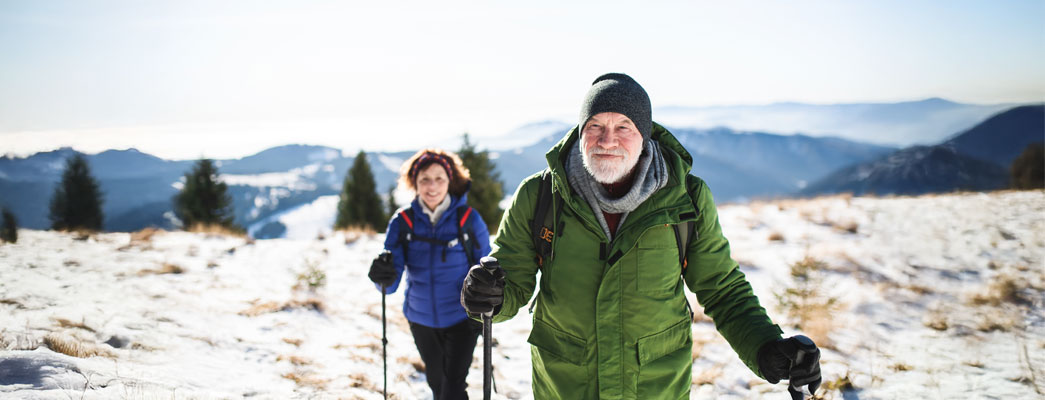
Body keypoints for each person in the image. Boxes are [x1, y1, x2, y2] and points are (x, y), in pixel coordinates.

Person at [460, 73, 822, 399]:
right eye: (595, 126)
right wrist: (489, 296)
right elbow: (511, 279)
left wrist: (766, 347)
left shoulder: (686, 198)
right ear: (581, 131)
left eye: (624, 127)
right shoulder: (540, 195)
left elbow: (721, 288)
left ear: (644, 135)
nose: (607, 140)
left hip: (655, 386)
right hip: (565, 384)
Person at [369, 149, 492, 400]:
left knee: (453, 388)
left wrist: (488, 291)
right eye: (424, 179)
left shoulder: (468, 220)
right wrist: (382, 275)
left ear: (450, 181)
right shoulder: (402, 222)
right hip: (420, 319)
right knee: (437, 383)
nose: (432, 186)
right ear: (414, 183)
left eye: (439, 179)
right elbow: (390, 284)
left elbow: (486, 266)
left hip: (463, 318)